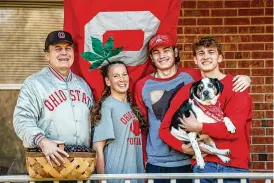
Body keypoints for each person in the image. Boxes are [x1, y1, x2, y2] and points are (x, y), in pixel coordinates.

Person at [134, 34, 251, 183]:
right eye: (201, 53)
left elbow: (235, 129)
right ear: (195, 60)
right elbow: (157, 128)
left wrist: (199, 127)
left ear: (220, 58)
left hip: (232, 167)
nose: (206, 57)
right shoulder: (189, 88)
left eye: (211, 52)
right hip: (199, 166)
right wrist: (183, 147)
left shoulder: (235, 85)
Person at [13, 30, 93, 168]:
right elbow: (21, 119)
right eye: (58, 49)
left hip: (82, 166)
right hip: (47, 166)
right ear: (47, 55)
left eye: (68, 48)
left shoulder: (83, 85)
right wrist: (42, 141)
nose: (64, 53)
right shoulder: (34, 84)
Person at [92, 61, 145, 183]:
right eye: (116, 76)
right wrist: (102, 180)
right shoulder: (107, 106)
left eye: (124, 74)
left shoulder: (131, 108)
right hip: (115, 178)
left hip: (134, 178)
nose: (121, 79)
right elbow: (98, 148)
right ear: (108, 81)